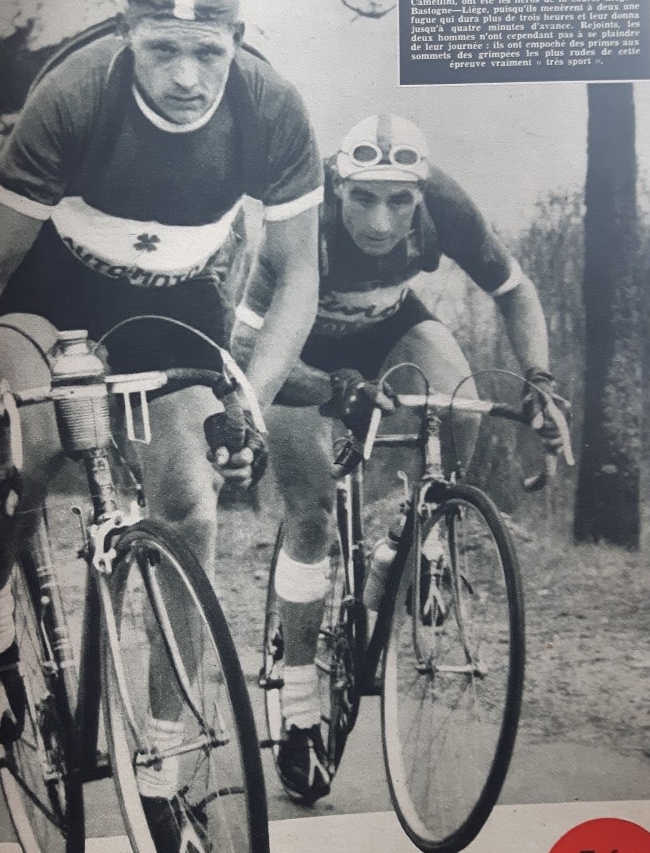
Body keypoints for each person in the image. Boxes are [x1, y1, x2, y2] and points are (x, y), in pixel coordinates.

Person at [0, 0, 322, 853]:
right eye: (162, 50)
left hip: (175, 300)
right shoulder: (76, 94)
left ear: (237, 39)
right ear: (127, 34)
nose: (187, 77)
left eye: (208, 52)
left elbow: (297, 276)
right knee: (29, 455)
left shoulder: (271, 107)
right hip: (54, 286)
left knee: (191, 507)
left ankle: (162, 768)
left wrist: (248, 399)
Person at [233, 112, 568, 805]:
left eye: (398, 200)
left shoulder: (445, 204)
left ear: (421, 192)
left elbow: (514, 291)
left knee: (461, 401)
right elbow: (245, 354)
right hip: (295, 353)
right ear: (337, 184)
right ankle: (299, 709)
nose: (380, 222)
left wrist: (539, 380)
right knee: (311, 517)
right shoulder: (298, 219)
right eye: (363, 198)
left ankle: (413, 543)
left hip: (389, 323)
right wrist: (331, 390)